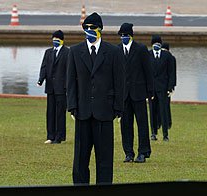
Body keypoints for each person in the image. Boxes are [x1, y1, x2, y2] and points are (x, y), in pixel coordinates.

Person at [66, 13, 124, 185]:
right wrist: (72, 106)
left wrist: (118, 108)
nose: (89, 31)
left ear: (100, 30)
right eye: (86, 28)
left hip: (105, 112)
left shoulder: (113, 52)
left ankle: (104, 193)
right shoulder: (75, 51)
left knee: (105, 159)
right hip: (82, 112)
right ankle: (80, 191)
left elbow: (119, 81)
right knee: (80, 159)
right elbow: (70, 81)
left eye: (93, 28)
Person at [116, 23, 153, 163]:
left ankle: (143, 152)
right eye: (121, 36)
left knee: (142, 123)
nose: (123, 38)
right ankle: (128, 153)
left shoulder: (141, 49)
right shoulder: (117, 50)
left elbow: (148, 71)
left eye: (125, 35)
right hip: (124, 95)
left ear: (131, 36)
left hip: (139, 93)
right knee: (125, 125)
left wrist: (150, 91)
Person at [38, 30, 70, 144]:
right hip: (50, 87)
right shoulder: (48, 52)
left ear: (62, 40)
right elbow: (44, 67)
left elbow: (69, 70)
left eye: (57, 39)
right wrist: (40, 80)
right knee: (50, 112)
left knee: (60, 113)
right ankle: (50, 136)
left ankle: (59, 136)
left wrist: (68, 85)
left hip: (62, 88)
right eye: (53, 39)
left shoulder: (67, 52)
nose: (55, 41)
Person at [150, 37, 177, 141]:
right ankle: (153, 133)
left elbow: (171, 72)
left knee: (164, 111)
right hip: (152, 89)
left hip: (163, 88)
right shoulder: (147, 55)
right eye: (154, 43)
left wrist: (171, 87)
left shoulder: (167, 56)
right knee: (152, 111)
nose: (156, 45)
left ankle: (165, 134)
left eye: (158, 43)